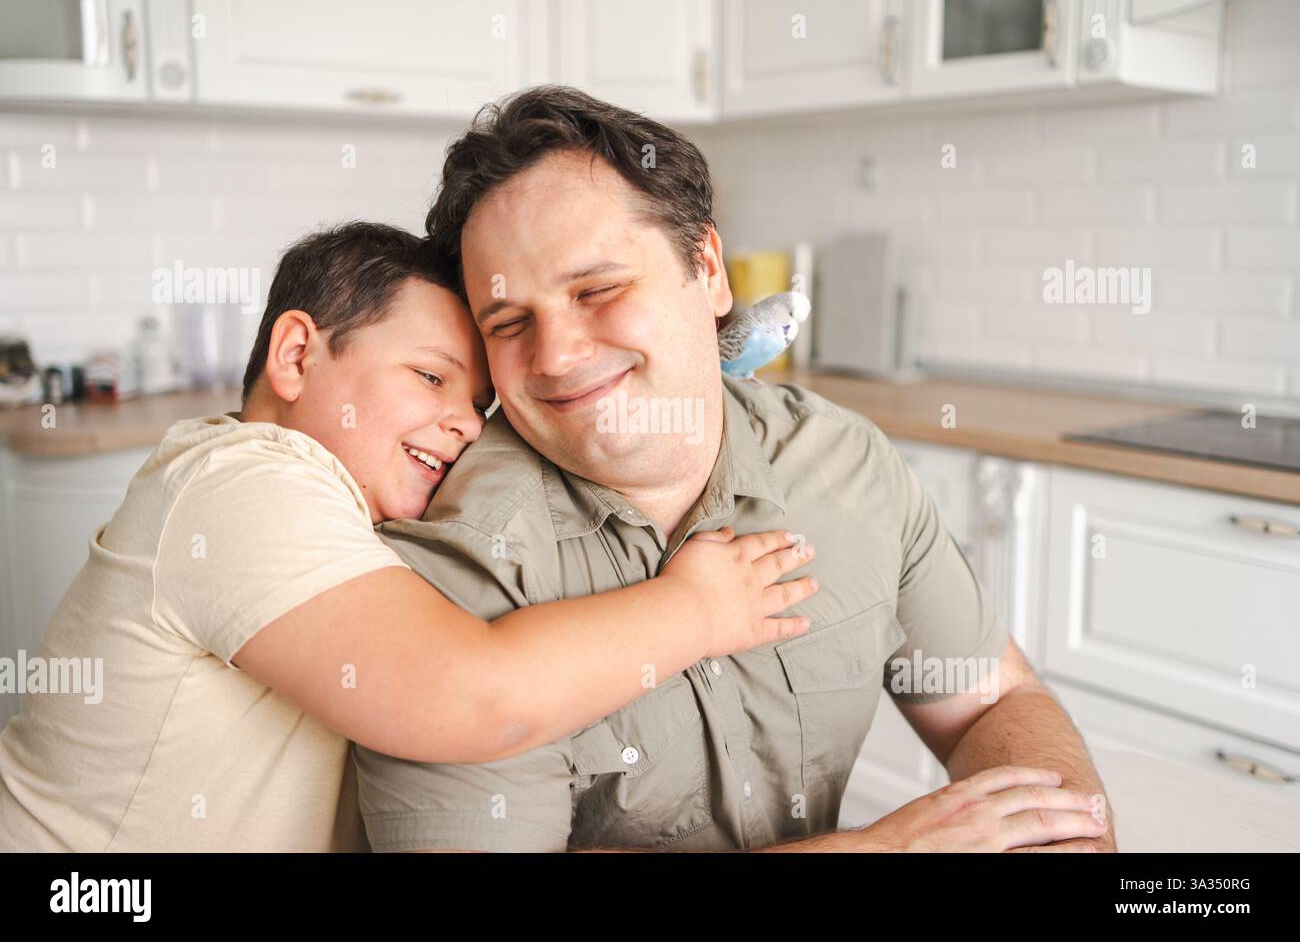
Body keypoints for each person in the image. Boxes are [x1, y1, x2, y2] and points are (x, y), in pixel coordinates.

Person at [353, 86, 1116, 853]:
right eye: (510, 323)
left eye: (598, 289)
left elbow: (991, 702)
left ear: (709, 269)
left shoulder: (844, 466)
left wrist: (1066, 837)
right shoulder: (461, 572)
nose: (554, 357)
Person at [0, 222, 817, 851]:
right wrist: (697, 610)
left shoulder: (337, 511)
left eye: (479, 403)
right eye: (429, 377)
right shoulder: (242, 481)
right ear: (296, 356)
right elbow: (474, 696)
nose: (464, 425)